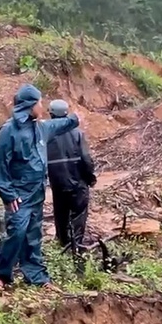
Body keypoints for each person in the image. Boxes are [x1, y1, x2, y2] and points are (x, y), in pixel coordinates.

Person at [0, 85, 80, 289]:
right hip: (19, 195)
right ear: (30, 105)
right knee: (17, 232)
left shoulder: (40, 128)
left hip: (37, 192)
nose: (42, 105)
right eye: (39, 102)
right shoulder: (8, 131)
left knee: (33, 234)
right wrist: (8, 194)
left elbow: (59, 125)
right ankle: (2, 275)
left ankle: (36, 275)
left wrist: (75, 119)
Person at [45, 99, 97, 260]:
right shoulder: (77, 133)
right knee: (79, 213)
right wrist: (91, 178)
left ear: (51, 114)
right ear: (66, 113)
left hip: (57, 183)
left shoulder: (46, 133)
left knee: (60, 213)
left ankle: (63, 242)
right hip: (77, 182)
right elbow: (86, 158)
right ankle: (77, 246)